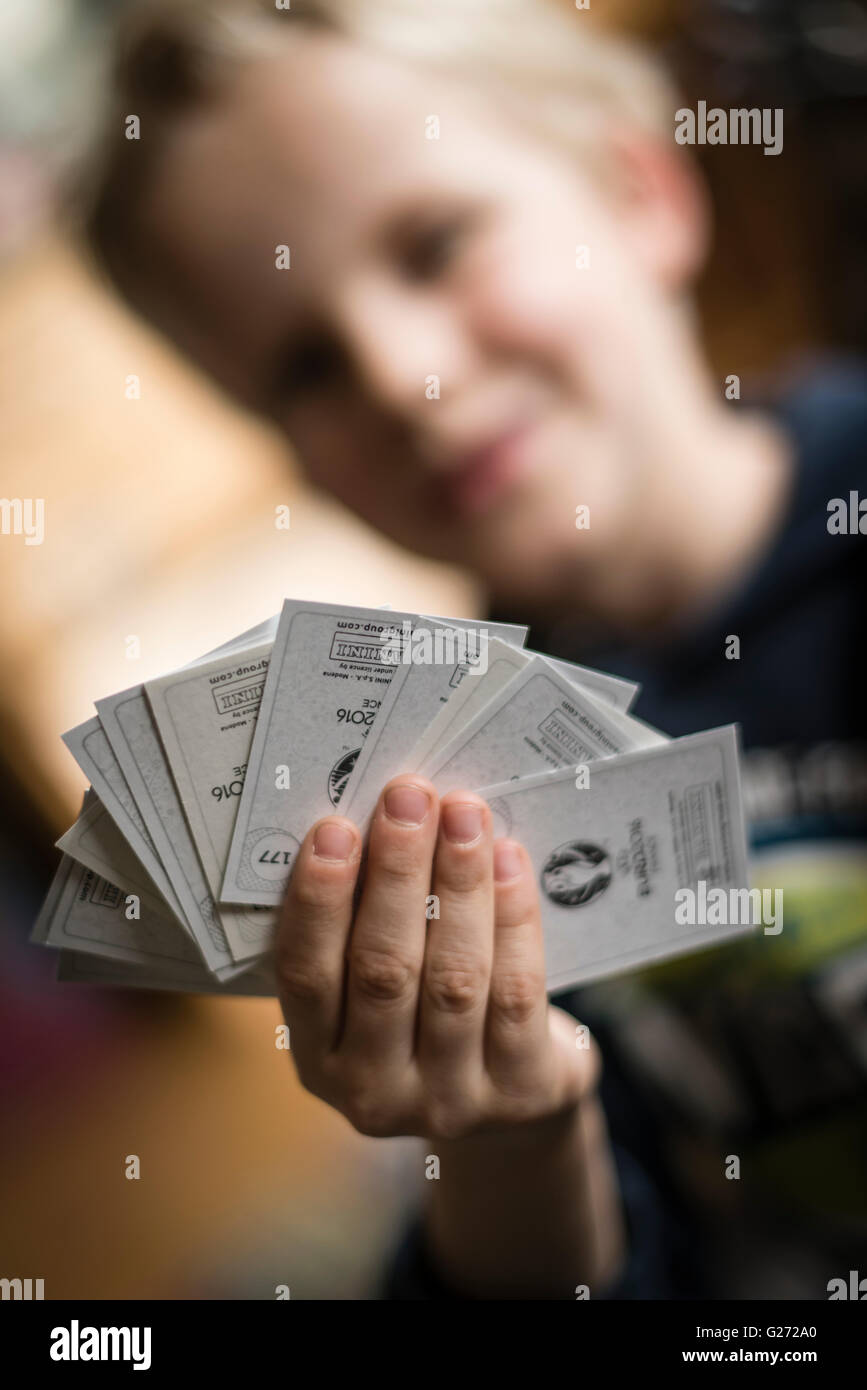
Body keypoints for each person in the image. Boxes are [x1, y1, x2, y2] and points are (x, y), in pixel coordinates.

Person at [77, 0, 867, 1298]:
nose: (398, 374)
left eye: (435, 245)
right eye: (306, 366)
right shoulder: (439, 798)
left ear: (641, 190)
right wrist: (505, 1133)